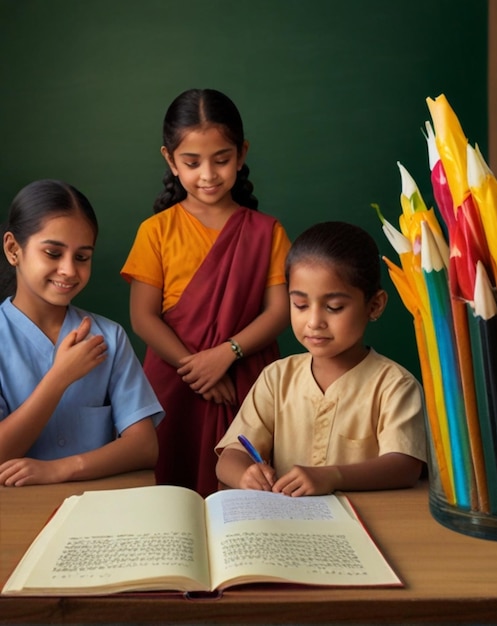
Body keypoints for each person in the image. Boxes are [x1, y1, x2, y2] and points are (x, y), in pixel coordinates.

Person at [121, 88, 291, 497]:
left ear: (242, 153)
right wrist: (198, 370)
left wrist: (226, 354)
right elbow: (144, 316)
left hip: (245, 378)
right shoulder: (156, 231)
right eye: (191, 162)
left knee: (249, 487)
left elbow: (279, 312)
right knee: (168, 491)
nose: (208, 175)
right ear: (170, 160)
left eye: (222, 159)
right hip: (175, 380)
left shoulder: (267, 231)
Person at [215, 221, 426, 496]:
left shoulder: (395, 386)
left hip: (367, 526)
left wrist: (333, 476)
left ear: (374, 305)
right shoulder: (277, 377)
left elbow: (405, 466)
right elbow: (231, 456)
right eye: (300, 305)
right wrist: (247, 475)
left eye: (334, 307)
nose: (314, 322)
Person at [0, 179, 164, 487]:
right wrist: (59, 378)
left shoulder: (108, 337)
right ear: (13, 250)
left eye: (82, 257)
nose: (69, 270)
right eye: (52, 253)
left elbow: (144, 447)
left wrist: (60, 469)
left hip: (97, 509)